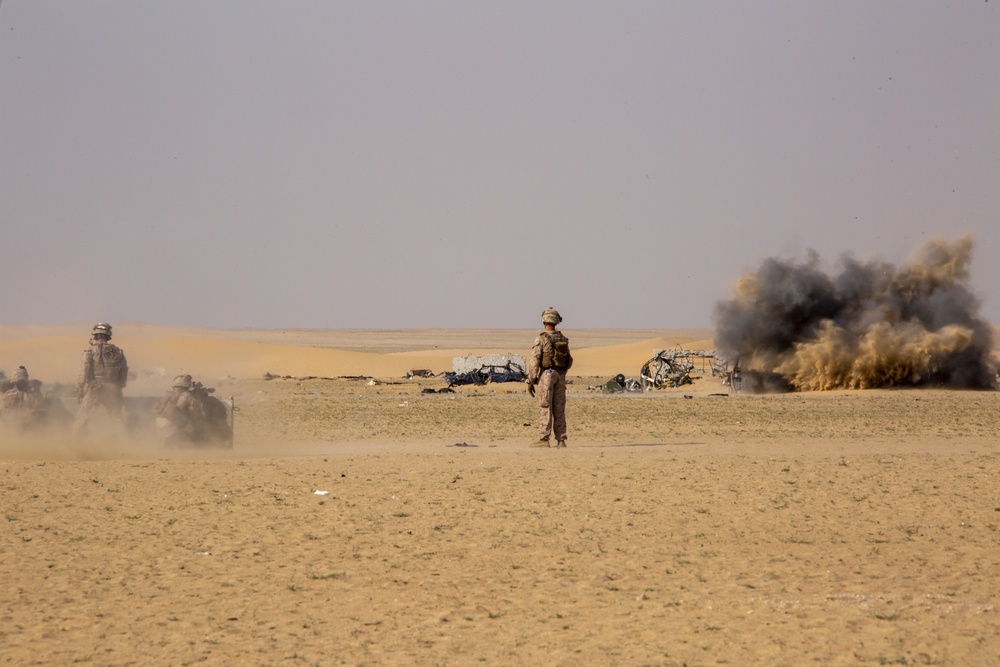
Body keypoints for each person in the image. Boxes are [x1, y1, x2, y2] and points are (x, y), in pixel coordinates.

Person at [526, 307, 573, 448]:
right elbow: (569, 361)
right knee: (559, 408)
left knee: (545, 406)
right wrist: (562, 374)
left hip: (547, 375)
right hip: (560, 375)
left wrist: (531, 380)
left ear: (544, 320)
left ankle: (544, 439)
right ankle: (561, 439)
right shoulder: (563, 339)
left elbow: (535, 361)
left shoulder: (541, 339)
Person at [73, 322, 129, 435]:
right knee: (116, 417)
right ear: (108, 335)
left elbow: (84, 370)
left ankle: (73, 443)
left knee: (82, 417)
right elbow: (124, 371)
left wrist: (79, 388)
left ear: (95, 335)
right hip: (113, 388)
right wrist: (118, 387)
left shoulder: (90, 351)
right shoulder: (118, 352)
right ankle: (126, 443)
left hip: (95, 388)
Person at [0, 366, 45, 432]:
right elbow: (38, 406)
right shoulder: (28, 394)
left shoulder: (5, 394)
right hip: (23, 428)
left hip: (9, 426)